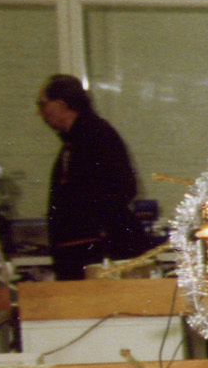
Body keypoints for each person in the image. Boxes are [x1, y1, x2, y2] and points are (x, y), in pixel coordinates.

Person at [38, 74, 151, 280]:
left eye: (43, 104)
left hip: (97, 251)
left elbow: (123, 188)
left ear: (61, 104)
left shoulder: (97, 136)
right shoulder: (74, 142)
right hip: (81, 251)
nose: (40, 112)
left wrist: (95, 229)